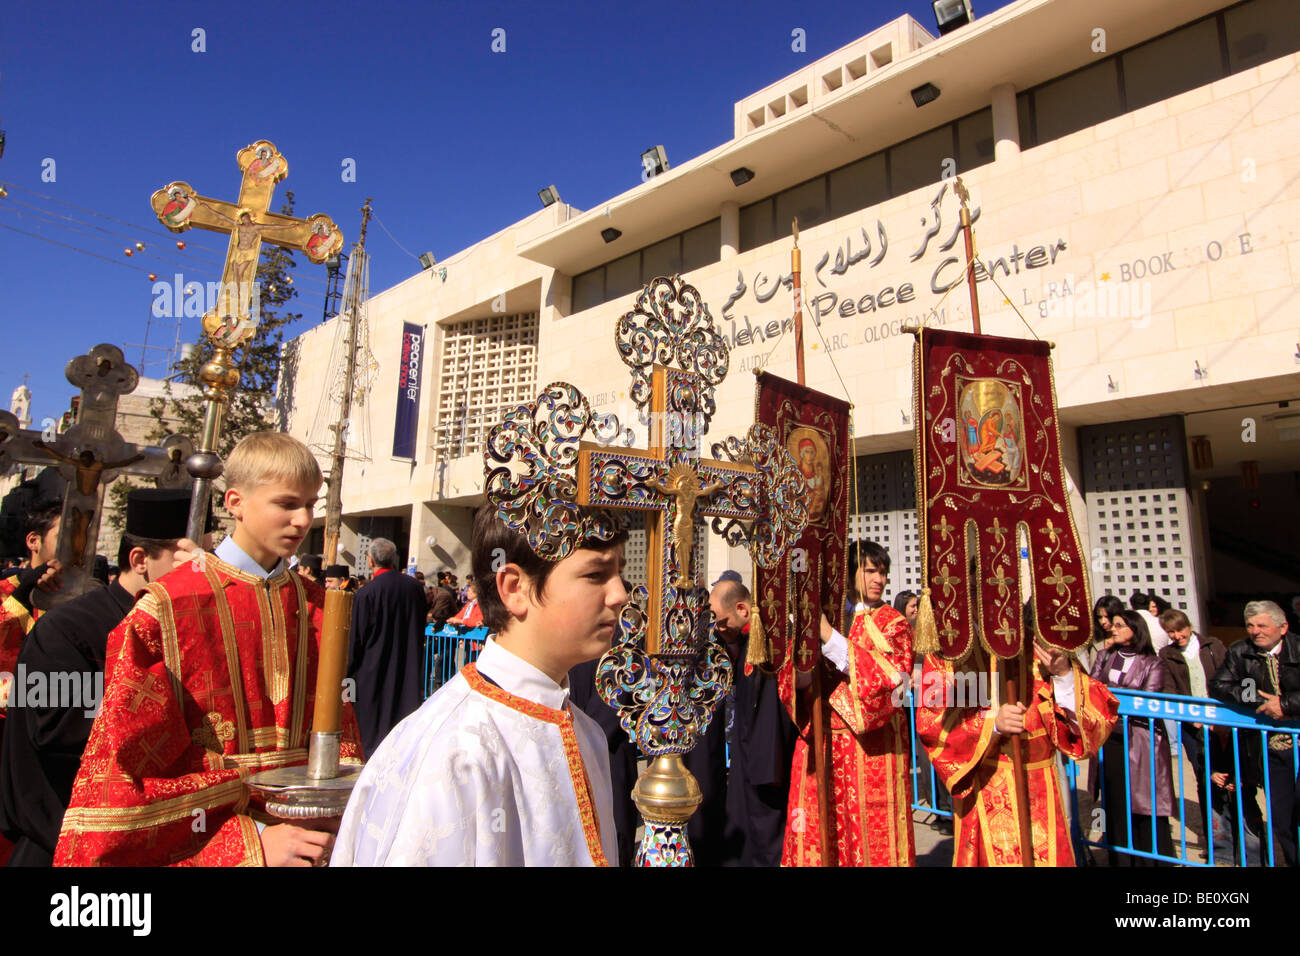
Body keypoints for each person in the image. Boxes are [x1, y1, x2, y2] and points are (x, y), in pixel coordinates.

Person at [53, 431, 363, 866]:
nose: (302, 520)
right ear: (235, 501)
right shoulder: (166, 609)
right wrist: (251, 840)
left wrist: (331, 808)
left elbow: (339, 732)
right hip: (217, 841)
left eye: (311, 504)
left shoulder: (316, 606)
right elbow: (128, 771)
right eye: (287, 503)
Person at [332, 504, 626, 866]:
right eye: (596, 574)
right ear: (515, 587)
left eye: (619, 573)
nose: (619, 594)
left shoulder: (588, 731)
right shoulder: (456, 754)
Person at [0, 489, 197, 865]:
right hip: (62, 841)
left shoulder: (183, 625)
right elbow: (54, 725)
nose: (196, 570)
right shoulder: (68, 628)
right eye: (183, 559)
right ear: (140, 560)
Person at [917, 608, 1118, 866]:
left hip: (1041, 785)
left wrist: (1063, 674)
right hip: (985, 786)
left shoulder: (1038, 644)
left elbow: (1092, 724)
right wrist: (991, 725)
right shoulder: (950, 651)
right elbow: (933, 723)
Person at [783, 540, 915, 866]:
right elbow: (794, 683)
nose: (879, 580)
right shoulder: (831, 615)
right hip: (824, 743)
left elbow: (893, 680)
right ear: (850, 572)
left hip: (872, 749)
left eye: (883, 573)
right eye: (870, 571)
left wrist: (829, 638)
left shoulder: (893, 623)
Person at [1157, 608, 1262, 865]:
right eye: (1171, 632)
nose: (1177, 635)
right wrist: (1187, 715)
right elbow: (1169, 688)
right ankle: (1219, 845)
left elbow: (1231, 677)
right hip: (1194, 725)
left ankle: (1251, 846)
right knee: (1208, 779)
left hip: (1222, 718)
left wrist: (1224, 711)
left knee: (1239, 778)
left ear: (1189, 626)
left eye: (1179, 630)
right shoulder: (1168, 654)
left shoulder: (1213, 645)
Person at [710, 577, 796, 866]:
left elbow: (773, 712)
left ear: (743, 609)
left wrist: (765, 766)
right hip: (746, 759)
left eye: (722, 621)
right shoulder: (743, 644)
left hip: (764, 765)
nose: (720, 629)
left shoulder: (768, 644)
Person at [1209, 600, 1299, 867]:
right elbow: (1219, 685)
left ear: (1283, 628)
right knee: (1283, 820)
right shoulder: (1240, 651)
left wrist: (1284, 705)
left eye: (1262, 625)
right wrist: (1256, 700)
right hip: (1268, 749)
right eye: (1250, 625)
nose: (1255, 631)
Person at [0, 501, 63, 865]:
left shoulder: (87, 593)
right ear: (34, 541)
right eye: (62, 533)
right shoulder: (8, 588)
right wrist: (24, 595)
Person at [1089, 610, 1175, 865]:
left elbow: (1148, 697)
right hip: (1111, 738)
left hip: (1140, 740)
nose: (1112, 629)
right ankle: (1121, 857)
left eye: (1119, 625)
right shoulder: (1105, 657)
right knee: (1116, 799)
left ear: (1135, 630)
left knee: (1145, 800)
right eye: (1112, 625)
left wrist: (1111, 698)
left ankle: (1152, 858)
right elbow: (1092, 687)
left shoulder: (1153, 662)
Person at [347, 537, 427, 756]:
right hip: (407, 666)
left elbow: (356, 639)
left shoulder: (366, 593)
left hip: (373, 671)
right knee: (402, 730)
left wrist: (346, 673)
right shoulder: (415, 589)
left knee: (372, 732)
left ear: (370, 561)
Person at [568, 652, 638, 867]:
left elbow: (617, 695)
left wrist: (583, 737)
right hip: (572, 745)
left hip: (609, 751)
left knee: (613, 836)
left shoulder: (619, 641)